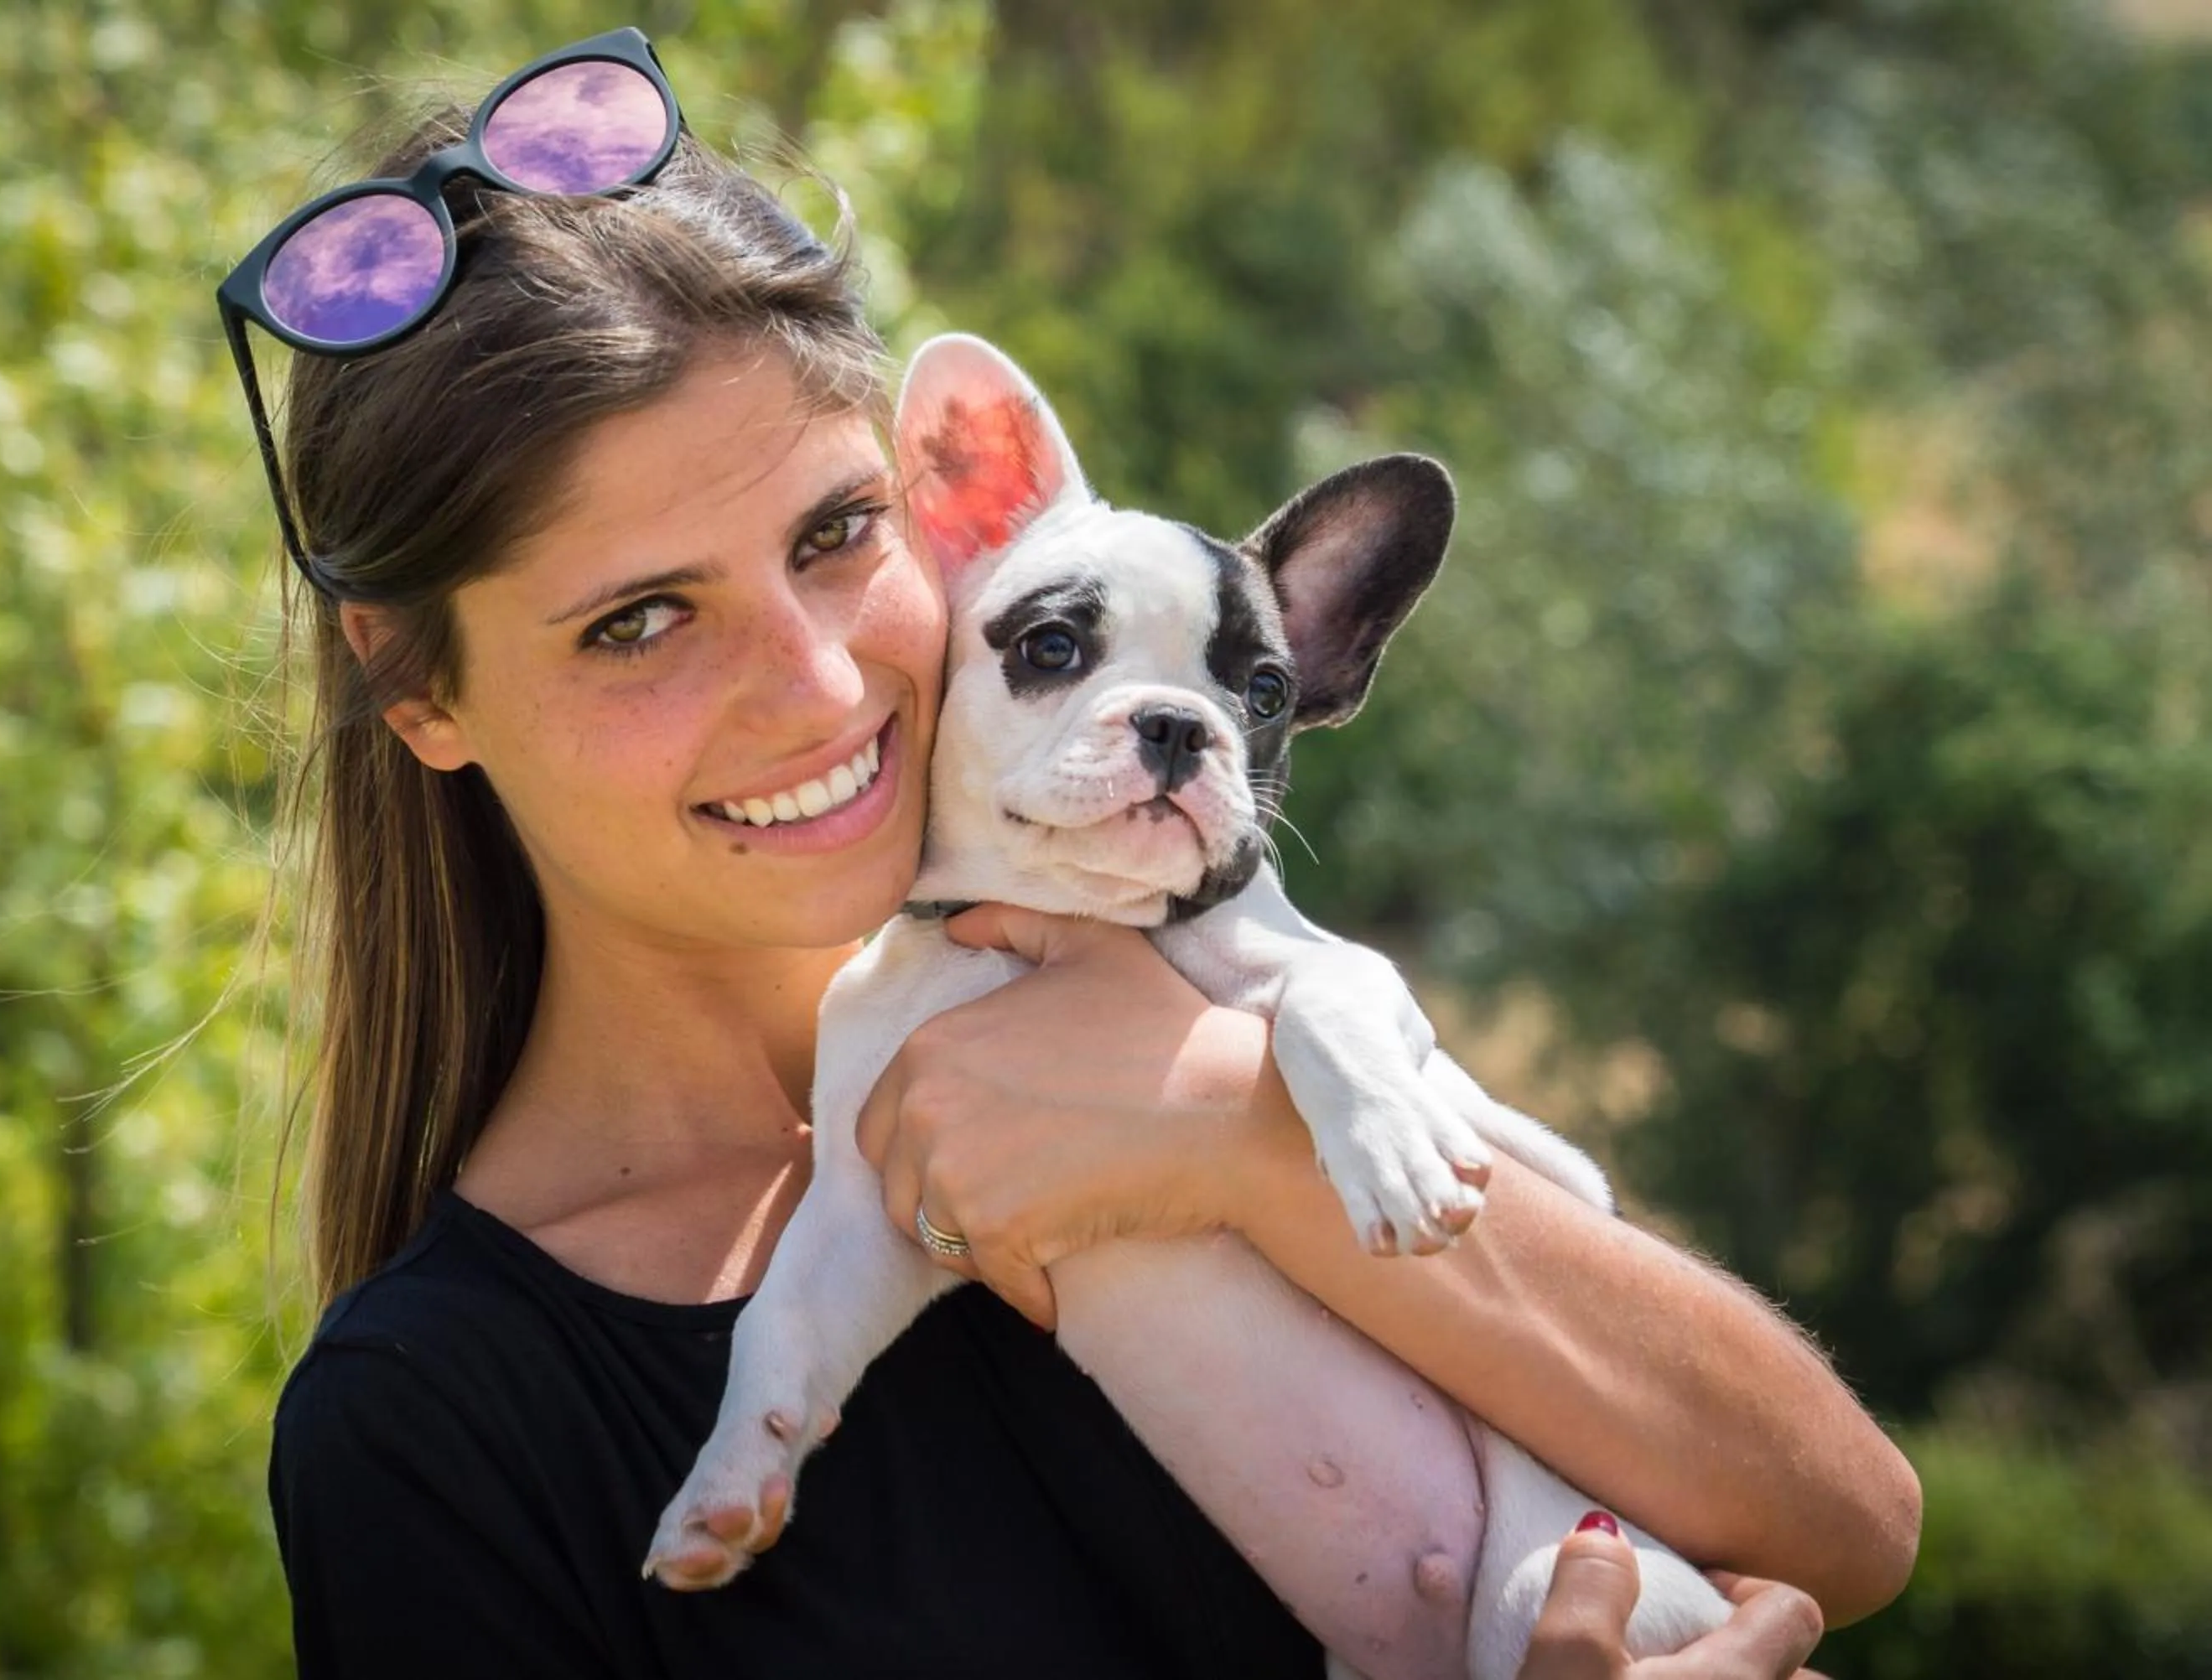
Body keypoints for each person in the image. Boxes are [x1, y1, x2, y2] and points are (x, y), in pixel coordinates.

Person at [226, 29, 1919, 1679]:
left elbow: (1848, 1527)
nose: (819, 686)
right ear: (417, 688)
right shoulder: (436, 1431)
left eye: (837, 533)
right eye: (639, 621)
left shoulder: (1215, 1006)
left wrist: (1234, 1134)